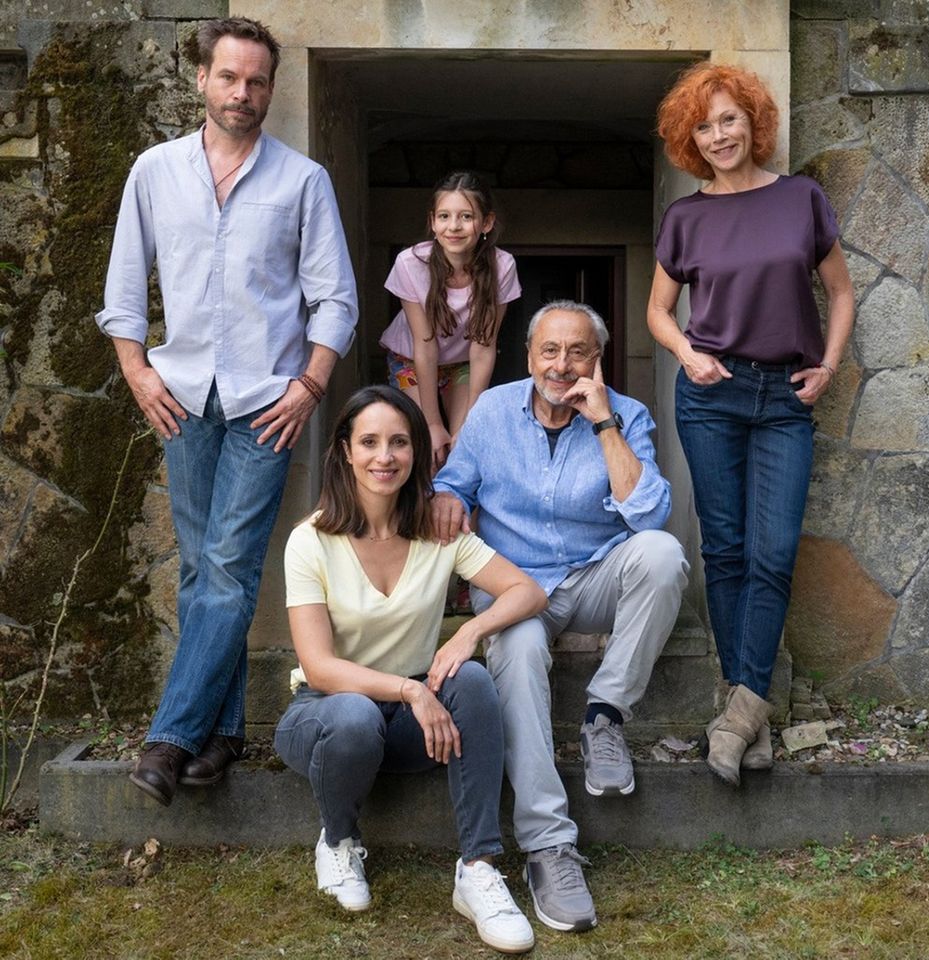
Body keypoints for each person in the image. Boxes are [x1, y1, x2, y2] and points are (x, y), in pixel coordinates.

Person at [95, 16, 359, 806]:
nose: (243, 92)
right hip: (180, 398)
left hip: (265, 405)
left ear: (270, 90)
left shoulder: (303, 181)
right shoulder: (154, 171)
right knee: (201, 568)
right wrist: (138, 373)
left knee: (230, 564)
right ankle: (223, 732)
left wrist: (308, 388)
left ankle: (170, 737)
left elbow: (336, 300)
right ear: (202, 79)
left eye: (257, 81)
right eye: (230, 77)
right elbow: (122, 289)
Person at [432, 301, 688, 932]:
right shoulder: (491, 410)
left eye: (578, 352)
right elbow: (453, 482)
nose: (562, 365)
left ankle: (604, 717)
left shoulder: (626, 414)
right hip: (515, 586)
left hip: (593, 575)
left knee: (662, 554)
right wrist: (447, 500)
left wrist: (603, 424)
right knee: (517, 648)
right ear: (529, 356)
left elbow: (648, 515)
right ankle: (548, 844)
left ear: (597, 360)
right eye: (549, 350)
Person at [274, 386, 545, 954]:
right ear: (345, 450)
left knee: (472, 678)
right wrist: (409, 689)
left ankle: (478, 870)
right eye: (369, 442)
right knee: (353, 715)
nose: (385, 456)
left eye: (399, 442)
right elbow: (319, 667)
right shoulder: (310, 541)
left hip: (409, 727)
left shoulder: (438, 531)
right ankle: (338, 842)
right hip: (325, 720)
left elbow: (527, 591)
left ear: (416, 452)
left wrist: (469, 631)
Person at [647, 62, 855, 787]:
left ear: (753, 122)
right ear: (691, 140)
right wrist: (686, 353)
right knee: (727, 551)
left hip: (786, 399)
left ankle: (736, 718)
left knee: (775, 552)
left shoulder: (801, 199)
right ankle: (748, 715)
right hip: (712, 396)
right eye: (704, 127)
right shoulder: (686, 218)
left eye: (729, 119)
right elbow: (657, 312)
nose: (719, 135)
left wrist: (827, 367)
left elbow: (840, 292)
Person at [379, 171, 521, 473]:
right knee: (425, 449)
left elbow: (484, 346)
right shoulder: (410, 263)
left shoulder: (502, 266)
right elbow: (425, 345)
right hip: (411, 360)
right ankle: (423, 503)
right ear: (433, 222)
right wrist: (432, 424)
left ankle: (459, 506)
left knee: (465, 449)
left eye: (466, 216)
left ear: (486, 223)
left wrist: (470, 420)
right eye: (444, 216)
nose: (454, 226)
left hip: (463, 363)